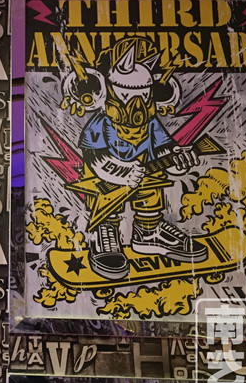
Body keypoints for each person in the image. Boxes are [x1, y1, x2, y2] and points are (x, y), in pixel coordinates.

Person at [78, 39, 207, 279]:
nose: (136, 106)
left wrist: (178, 159)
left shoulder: (151, 124)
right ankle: (104, 232)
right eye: (127, 95)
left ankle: (148, 231)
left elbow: (164, 149)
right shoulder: (100, 123)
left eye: (143, 96)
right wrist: (122, 172)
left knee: (152, 181)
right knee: (104, 197)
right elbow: (95, 159)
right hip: (105, 180)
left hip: (142, 175)